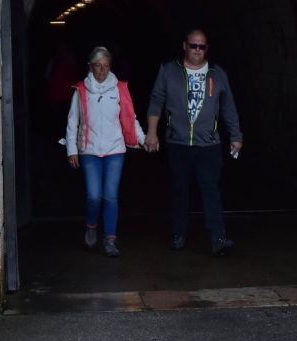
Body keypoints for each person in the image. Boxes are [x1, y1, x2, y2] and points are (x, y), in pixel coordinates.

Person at [145, 28, 242, 256]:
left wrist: (236, 136)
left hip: (208, 144)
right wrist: (152, 132)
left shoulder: (217, 74)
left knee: (211, 190)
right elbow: (156, 100)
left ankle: (218, 238)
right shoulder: (168, 71)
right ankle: (178, 234)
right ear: (184, 46)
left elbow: (228, 106)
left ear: (206, 48)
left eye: (202, 46)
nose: (197, 50)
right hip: (178, 143)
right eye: (193, 45)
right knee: (180, 190)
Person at [65, 46, 143, 258]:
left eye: (106, 66)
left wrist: (144, 139)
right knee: (93, 195)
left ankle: (110, 239)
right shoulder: (80, 90)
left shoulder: (119, 89)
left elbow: (130, 117)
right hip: (89, 150)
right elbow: (73, 121)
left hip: (115, 150)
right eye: (98, 66)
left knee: (110, 196)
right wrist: (71, 149)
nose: (102, 70)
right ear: (90, 67)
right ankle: (91, 226)